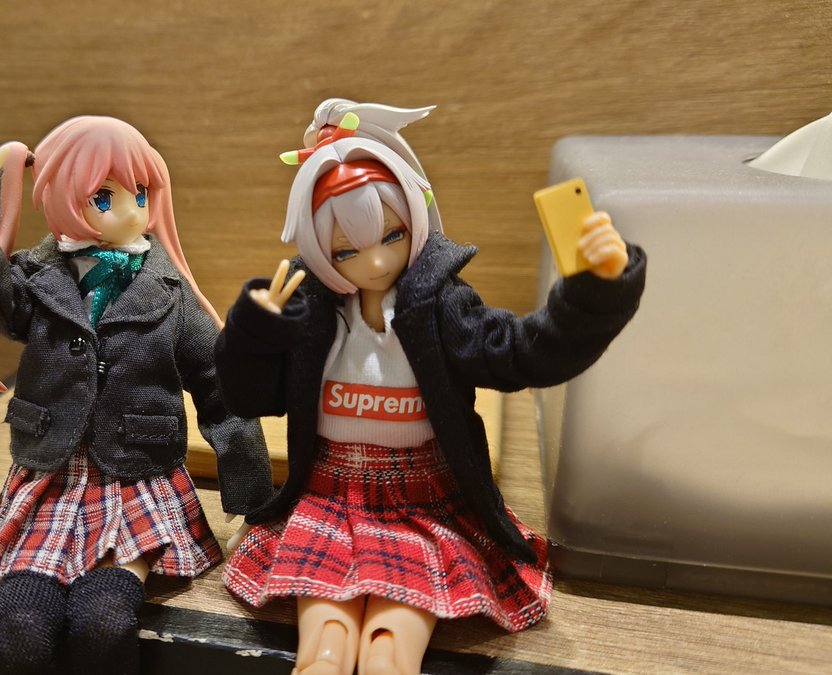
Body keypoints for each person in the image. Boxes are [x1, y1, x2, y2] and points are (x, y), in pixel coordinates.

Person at [215, 109, 646, 675]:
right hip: (328, 495)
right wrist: (253, 335)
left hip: (421, 502)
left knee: (391, 647)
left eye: (391, 236)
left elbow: (521, 353)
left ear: (415, 218)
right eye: (346, 251)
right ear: (320, 250)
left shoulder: (440, 307)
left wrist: (594, 294)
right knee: (324, 640)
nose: (375, 261)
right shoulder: (313, 313)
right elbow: (249, 397)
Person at [0, 111, 271, 675]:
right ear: (62, 197)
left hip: (137, 479)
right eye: (104, 198)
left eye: (141, 193)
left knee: (105, 621)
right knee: (21, 625)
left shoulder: (169, 291)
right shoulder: (36, 279)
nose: (132, 211)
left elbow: (223, 393)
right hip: (50, 478)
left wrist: (253, 503)